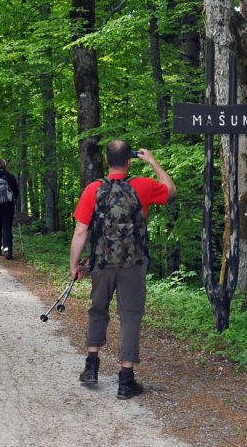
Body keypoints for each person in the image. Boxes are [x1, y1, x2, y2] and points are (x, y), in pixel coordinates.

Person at [69, 140, 175, 400]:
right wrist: (152, 161)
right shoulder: (143, 186)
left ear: (107, 161)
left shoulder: (93, 189)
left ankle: (91, 368)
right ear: (129, 160)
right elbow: (170, 190)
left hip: (102, 264)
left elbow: (81, 231)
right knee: (130, 316)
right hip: (133, 265)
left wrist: (74, 264)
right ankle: (125, 381)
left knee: (97, 311)